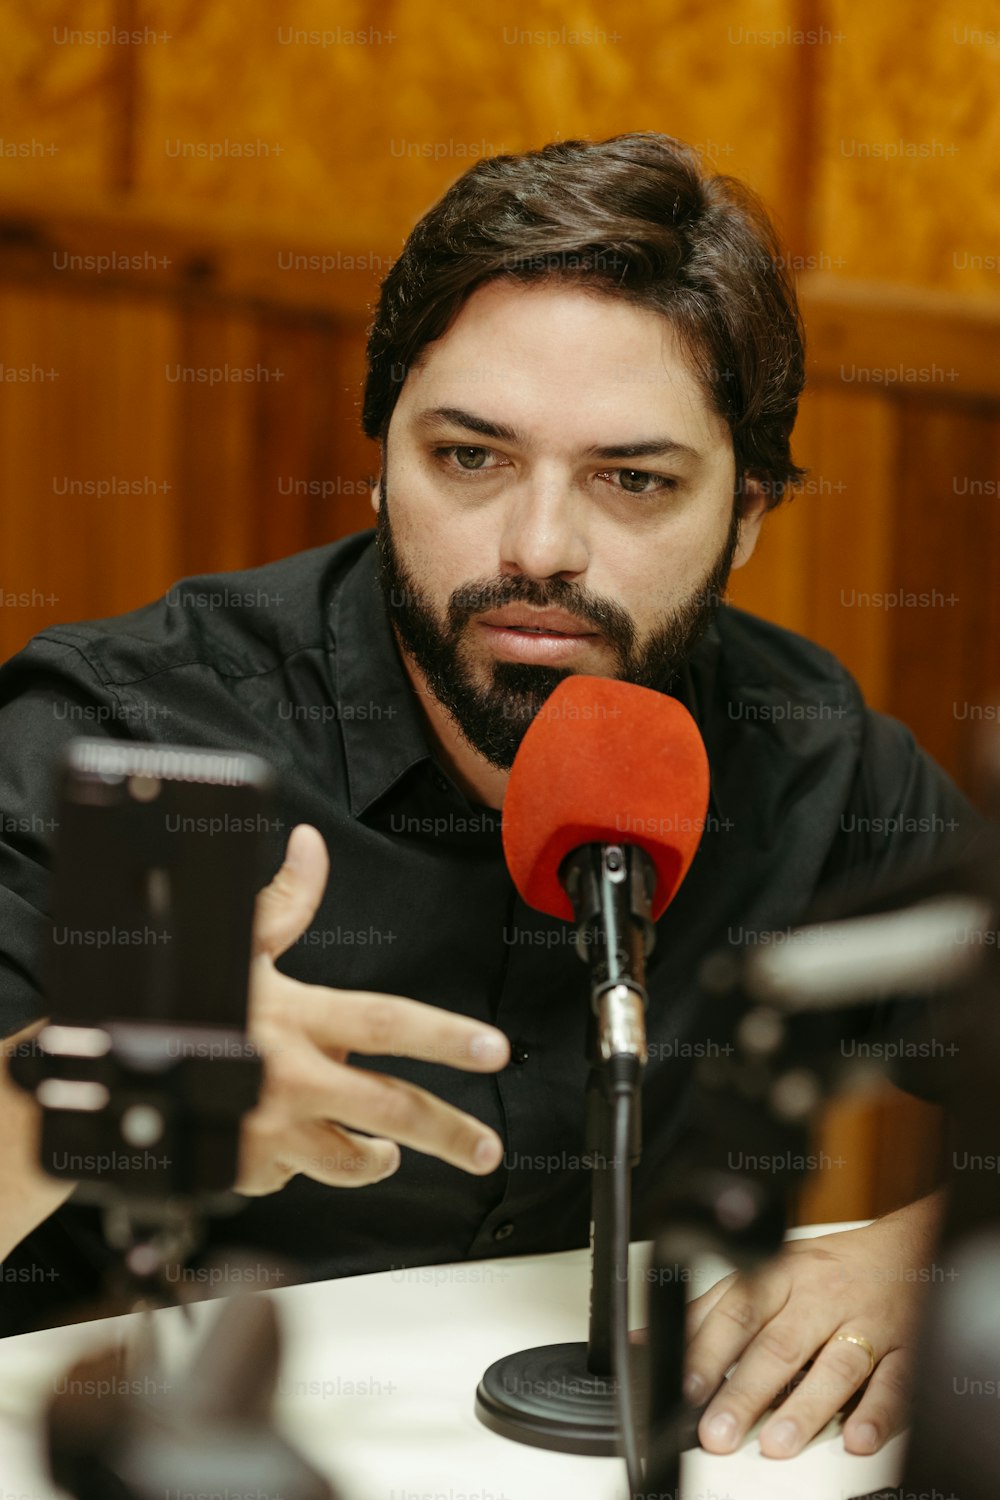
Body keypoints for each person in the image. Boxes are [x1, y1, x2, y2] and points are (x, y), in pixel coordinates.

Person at [0, 132, 983, 1461]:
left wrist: (914, 1261)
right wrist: (86, 1097)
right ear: (383, 454)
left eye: (632, 481)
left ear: (747, 513)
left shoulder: (805, 754)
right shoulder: (137, 733)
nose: (537, 550)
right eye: (471, 459)